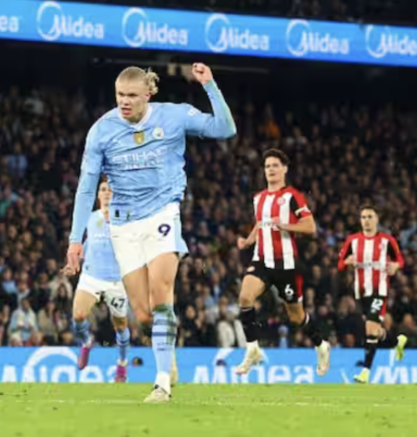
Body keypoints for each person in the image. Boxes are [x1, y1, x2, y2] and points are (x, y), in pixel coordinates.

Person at [66, 63, 236, 402]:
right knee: (143, 315)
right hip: (123, 224)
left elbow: (224, 128)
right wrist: (74, 238)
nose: (124, 102)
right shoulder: (101, 131)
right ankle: (166, 353)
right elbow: (86, 189)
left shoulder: (173, 116)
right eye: (119, 95)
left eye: (131, 95)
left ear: (149, 93)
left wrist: (210, 86)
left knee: (162, 293)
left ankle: (162, 384)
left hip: (162, 214)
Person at [235, 148, 331, 376]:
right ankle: (253, 349)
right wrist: (248, 241)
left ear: (285, 169)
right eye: (267, 166)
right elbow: (261, 224)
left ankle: (321, 345)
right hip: (262, 261)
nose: (271, 170)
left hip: (286, 265)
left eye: (275, 165)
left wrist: (286, 225)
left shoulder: (292, 196)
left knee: (296, 317)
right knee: (245, 297)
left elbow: (310, 226)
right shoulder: (258, 198)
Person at [65, 177, 131, 382]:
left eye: (110, 190)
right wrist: (74, 260)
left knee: (120, 326)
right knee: (77, 315)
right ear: (98, 195)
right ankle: (86, 342)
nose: (107, 192)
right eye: (103, 189)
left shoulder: (126, 218)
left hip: (116, 280)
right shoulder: (91, 218)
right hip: (92, 275)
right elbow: (89, 244)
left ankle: (122, 364)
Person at [338, 205, 406, 383]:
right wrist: (347, 262)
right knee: (375, 331)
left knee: (370, 328)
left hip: (379, 291)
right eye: (363, 217)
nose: (366, 220)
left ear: (377, 219)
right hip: (361, 292)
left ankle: (366, 371)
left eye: (370, 216)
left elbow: (400, 259)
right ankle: (397, 341)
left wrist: (395, 266)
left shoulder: (387, 240)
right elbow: (339, 264)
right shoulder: (352, 241)